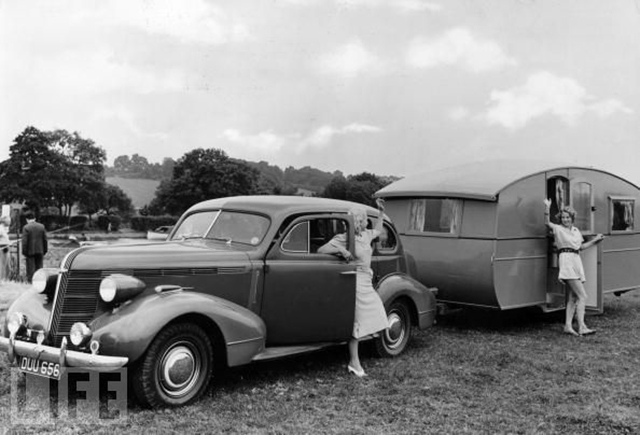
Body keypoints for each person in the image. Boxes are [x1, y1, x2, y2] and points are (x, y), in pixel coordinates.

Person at [318, 198, 389, 377]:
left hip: (366, 280)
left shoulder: (366, 235)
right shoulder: (343, 238)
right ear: (358, 220)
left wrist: (381, 212)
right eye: (364, 219)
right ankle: (354, 362)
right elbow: (321, 250)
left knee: (378, 313)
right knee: (356, 322)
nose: (366, 222)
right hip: (355, 281)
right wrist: (341, 251)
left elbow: (379, 231)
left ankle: (357, 356)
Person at [544, 199, 604, 336]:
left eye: (567, 217)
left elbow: (581, 247)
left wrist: (596, 240)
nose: (565, 219)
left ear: (572, 218)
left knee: (572, 297)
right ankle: (582, 326)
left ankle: (568, 326)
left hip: (576, 261)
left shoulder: (576, 231)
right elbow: (547, 222)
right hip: (566, 261)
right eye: (563, 217)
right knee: (583, 296)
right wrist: (547, 208)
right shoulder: (558, 229)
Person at [22, 211, 48, 283]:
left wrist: (24, 252)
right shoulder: (42, 226)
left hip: (30, 251)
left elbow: (24, 242)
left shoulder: (26, 227)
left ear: (27, 219)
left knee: (30, 269)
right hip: (40, 250)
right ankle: (39, 283)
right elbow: (45, 240)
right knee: (39, 268)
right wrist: (45, 250)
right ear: (35, 218)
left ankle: (31, 283)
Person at [0, 216, 11, 281]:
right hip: (3, 249)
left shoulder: (4, 229)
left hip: (6, 249)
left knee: (7, 266)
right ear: (4, 221)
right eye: (9, 220)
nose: (10, 221)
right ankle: (2, 280)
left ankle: (5, 280)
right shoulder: (0, 229)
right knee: (2, 265)